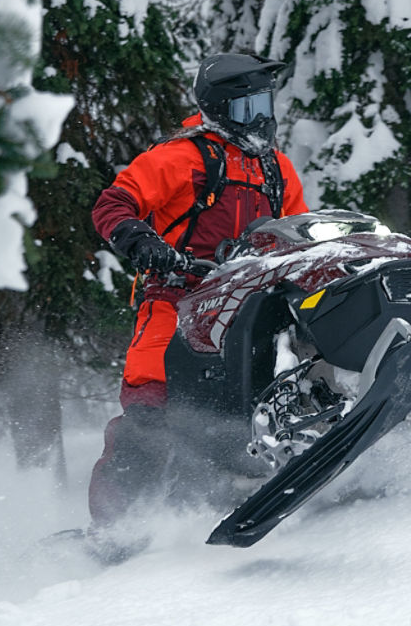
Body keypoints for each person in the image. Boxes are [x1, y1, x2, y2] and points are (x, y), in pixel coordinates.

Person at [88, 53, 309, 527]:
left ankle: (230, 493)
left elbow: (298, 229)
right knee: (149, 410)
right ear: (220, 109)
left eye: (264, 106)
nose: (262, 120)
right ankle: (114, 527)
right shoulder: (183, 156)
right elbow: (114, 203)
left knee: (246, 410)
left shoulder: (276, 170)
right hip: (176, 300)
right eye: (249, 109)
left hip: (247, 312)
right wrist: (141, 240)